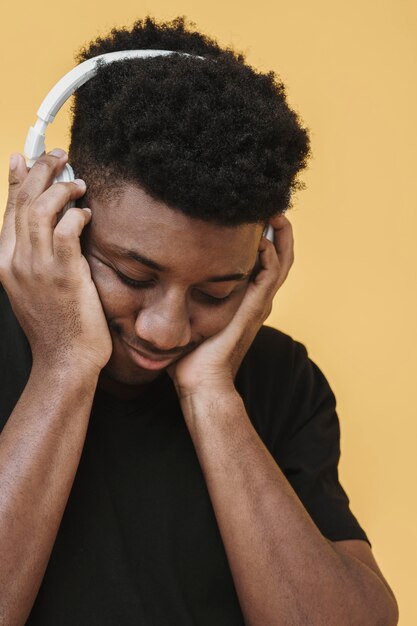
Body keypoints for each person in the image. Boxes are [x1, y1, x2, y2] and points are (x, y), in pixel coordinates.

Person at [0, 16, 398, 626]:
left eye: (217, 290)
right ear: (57, 212)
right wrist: (64, 365)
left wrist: (212, 396)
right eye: (133, 277)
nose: (165, 331)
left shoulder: (279, 379)